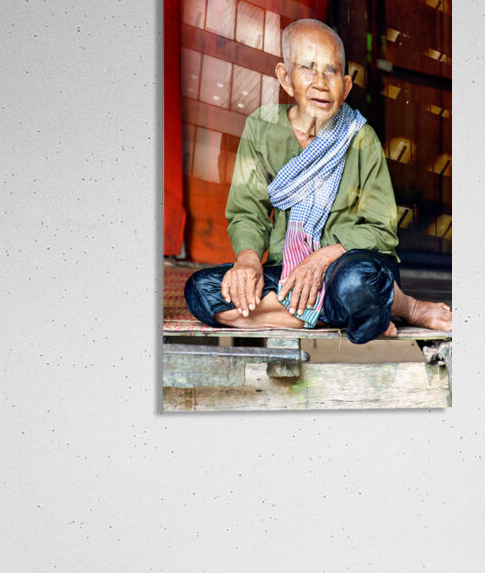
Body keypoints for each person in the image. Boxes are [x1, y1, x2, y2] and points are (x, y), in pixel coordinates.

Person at [183, 18, 452, 344]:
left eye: (331, 71)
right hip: (289, 272)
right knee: (201, 290)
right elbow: (248, 212)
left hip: (348, 265)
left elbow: (381, 231)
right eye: (308, 68)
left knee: (357, 284)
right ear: (286, 78)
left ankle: (399, 306)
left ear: (346, 86)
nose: (321, 83)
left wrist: (321, 258)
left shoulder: (360, 137)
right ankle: (363, 311)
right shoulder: (262, 128)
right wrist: (249, 261)